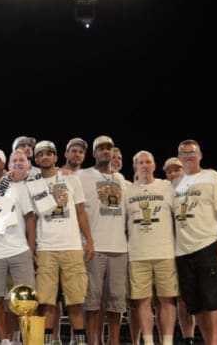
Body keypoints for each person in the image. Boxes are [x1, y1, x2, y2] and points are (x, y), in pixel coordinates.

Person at [30, 141, 94, 345]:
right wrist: (32, 248)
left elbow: (81, 212)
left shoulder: (72, 179)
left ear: (56, 157)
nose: (45, 157)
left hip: (72, 246)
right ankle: (48, 341)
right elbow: (30, 218)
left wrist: (89, 241)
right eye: (40, 154)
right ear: (36, 159)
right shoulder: (31, 183)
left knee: (76, 300)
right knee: (46, 301)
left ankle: (80, 341)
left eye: (49, 153)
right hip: (46, 247)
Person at [173, 139, 217, 345]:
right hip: (181, 251)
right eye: (184, 153)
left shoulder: (212, 176)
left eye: (192, 152)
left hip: (207, 245)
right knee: (195, 304)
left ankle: (214, 342)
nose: (188, 156)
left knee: (212, 300)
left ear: (200, 155)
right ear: (179, 157)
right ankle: (207, 341)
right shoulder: (176, 183)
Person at [0, 149, 36, 345]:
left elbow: (30, 217)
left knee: (27, 299)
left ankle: (27, 338)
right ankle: (5, 340)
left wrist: (30, 249)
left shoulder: (17, 187)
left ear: (3, 165)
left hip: (19, 250)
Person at [77, 136, 127, 345]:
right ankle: (93, 341)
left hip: (119, 248)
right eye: (101, 148)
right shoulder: (82, 176)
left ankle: (113, 341)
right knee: (92, 302)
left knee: (116, 302)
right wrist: (87, 242)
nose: (106, 151)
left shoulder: (122, 179)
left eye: (109, 148)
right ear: (94, 153)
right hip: (93, 248)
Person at [124, 151, 178, 345]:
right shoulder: (127, 190)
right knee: (142, 301)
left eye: (148, 162)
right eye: (140, 162)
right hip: (137, 254)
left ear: (154, 166)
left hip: (165, 252)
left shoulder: (167, 187)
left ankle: (168, 342)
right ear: (135, 167)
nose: (145, 165)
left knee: (167, 300)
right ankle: (148, 342)